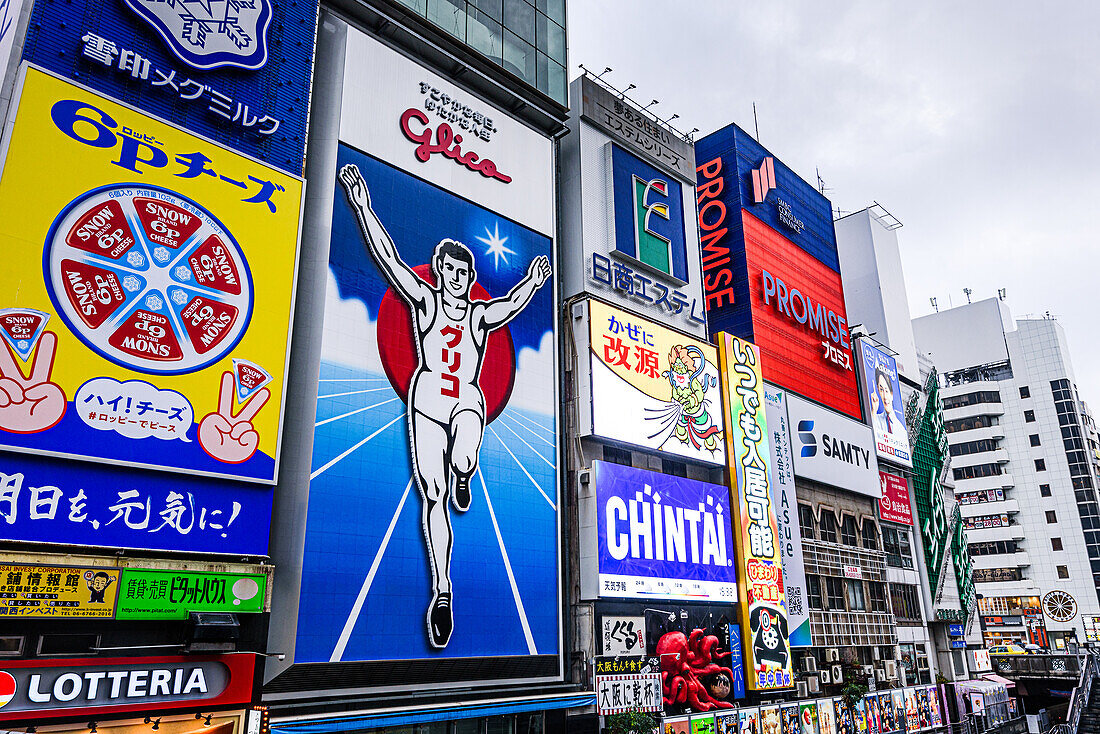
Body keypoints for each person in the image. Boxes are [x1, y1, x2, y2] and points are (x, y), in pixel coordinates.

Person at [338, 163, 551, 649]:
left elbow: (508, 306)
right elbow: (390, 260)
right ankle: (441, 590)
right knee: (432, 500)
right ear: (438, 273)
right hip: (427, 398)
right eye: (447, 271)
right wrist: (363, 205)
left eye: (461, 272)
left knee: (466, 442)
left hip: (465, 399)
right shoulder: (425, 304)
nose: (454, 278)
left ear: (470, 276)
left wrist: (534, 283)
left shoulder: (478, 314)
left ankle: (465, 469)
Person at [870, 364, 907, 439]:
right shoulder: (875, 418)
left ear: (892, 393)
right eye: (881, 390)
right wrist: (874, 410)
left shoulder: (901, 430)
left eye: (886, 391)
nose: (885, 396)